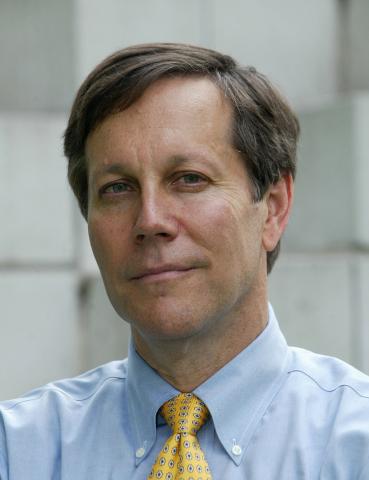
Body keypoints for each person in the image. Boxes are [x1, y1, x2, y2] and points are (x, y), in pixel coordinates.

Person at [1, 43, 369, 480]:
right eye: (118, 188)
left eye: (189, 179)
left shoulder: (356, 447)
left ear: (272, 208)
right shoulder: (19, 450)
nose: (150, 220)